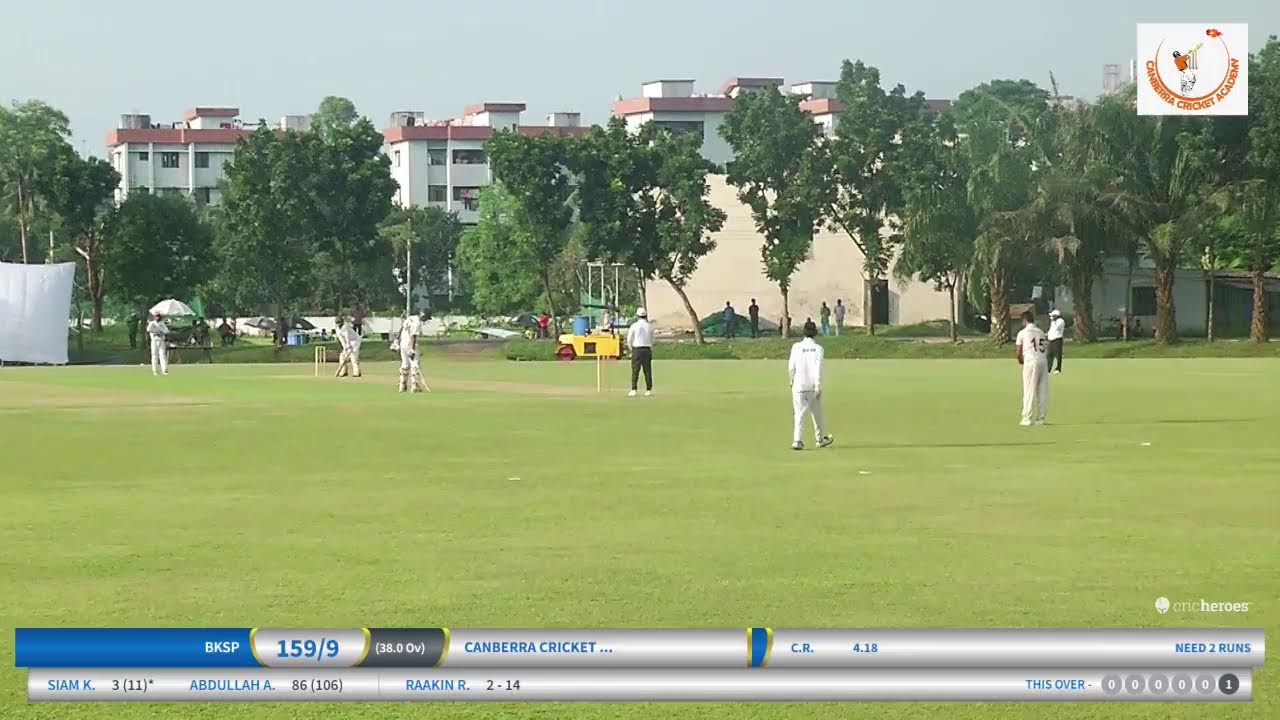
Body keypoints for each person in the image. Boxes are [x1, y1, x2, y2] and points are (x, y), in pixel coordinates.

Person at [788, 320, 834, 450]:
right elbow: (818, 368)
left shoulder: (796, 347)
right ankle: (820, 439)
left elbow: (791, 367)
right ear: (815, 333)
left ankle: (797, 440)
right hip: (812, 385)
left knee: (799, 413)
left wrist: (791, 381)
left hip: (798, 385)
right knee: (817, 413)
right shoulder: (819, 349)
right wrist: (818, 386)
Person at [1015, 310, 1050, 426]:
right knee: (1042, 390)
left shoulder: (1022, 333)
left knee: (1029, 389)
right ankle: (1041, 418)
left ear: (1024, 321)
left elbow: (1018, 352)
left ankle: (1026, 418)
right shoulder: (1041, 332)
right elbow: (1046, 347)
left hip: (1031, 361)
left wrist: (1021, 361)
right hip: (1043, 361)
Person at [626, 307, 655, 397]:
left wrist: (631, 347)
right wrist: (650, 346)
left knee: (635, 370)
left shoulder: (634, 326)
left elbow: (629, 338)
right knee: (647, 370)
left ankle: (634, 389)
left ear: (637, 316)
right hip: (646, 349)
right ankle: (648, 389)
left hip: (637, 349)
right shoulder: (649, 326)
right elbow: (653, 338)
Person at [397, 313, 425, 393]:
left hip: (403, 343)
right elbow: (414, 336)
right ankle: (414, 386)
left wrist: (397, 340)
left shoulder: (410, 318)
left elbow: (401, 328)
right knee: (415, 365)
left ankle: (402, 385)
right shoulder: (417, 322)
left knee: (405, 364)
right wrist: (412, 349)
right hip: (410, 344)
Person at [1047, 308, 1065, 374]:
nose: (1051, 317)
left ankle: (1058, 368)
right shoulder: (1052, 322)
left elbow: (1057, 327)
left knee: (1058, 355)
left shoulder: (1061, 321)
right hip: (1051, 340)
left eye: (1053, 316)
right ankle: (1048, 369)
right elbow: (1051, 330)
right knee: (1049, 355)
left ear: (1056, 316)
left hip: (1057, 340)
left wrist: (1053, 321)